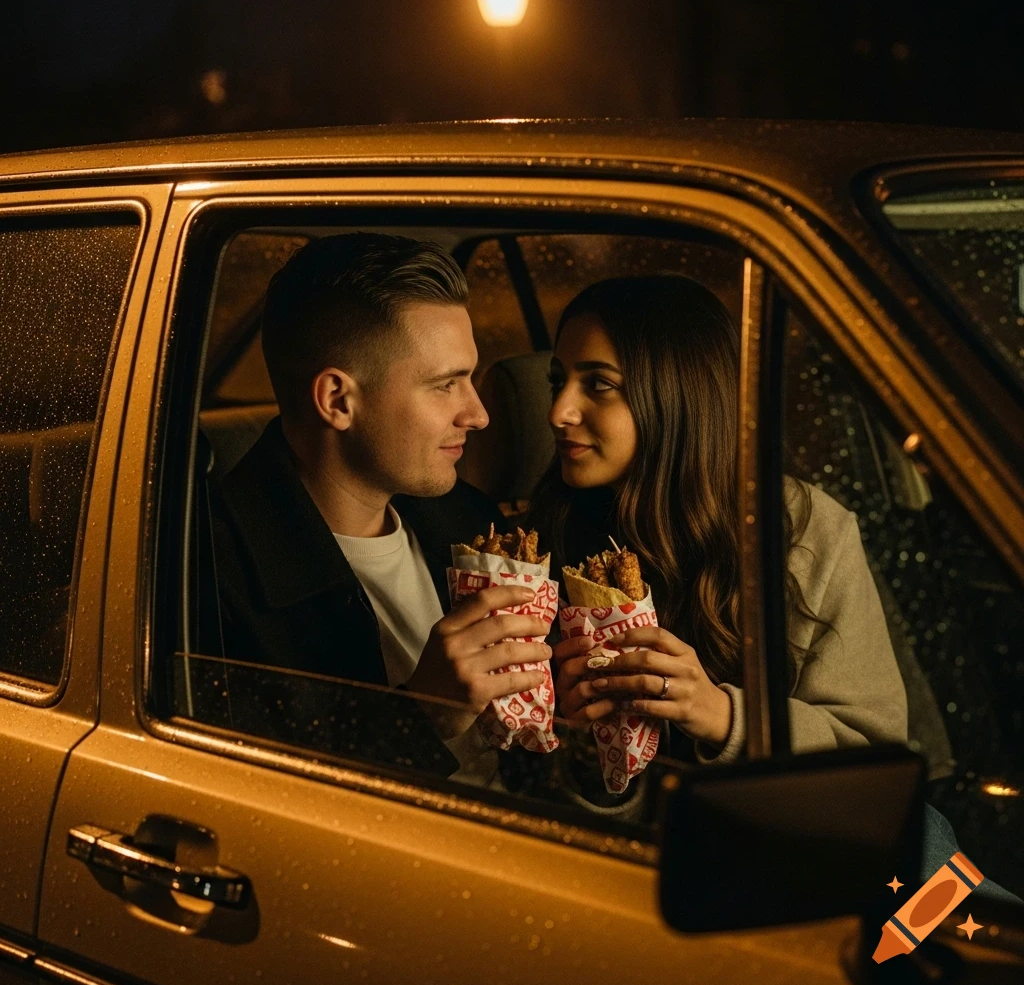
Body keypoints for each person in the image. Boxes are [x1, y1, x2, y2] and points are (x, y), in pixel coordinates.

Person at [528, 274, 908, 780]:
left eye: (599, 384)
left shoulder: (798, 530)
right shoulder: (538, 540)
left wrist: (722, 715)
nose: (559, 411)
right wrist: (583, 750)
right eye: (558, 380)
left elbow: (873, 753)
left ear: (677, 394)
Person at [209, 233, 553, 783]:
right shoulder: (209, 584)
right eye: (445, 385)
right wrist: (417, 715)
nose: (479, 414)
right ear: (338, 401)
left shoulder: (470, 522)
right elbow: (263, 811)